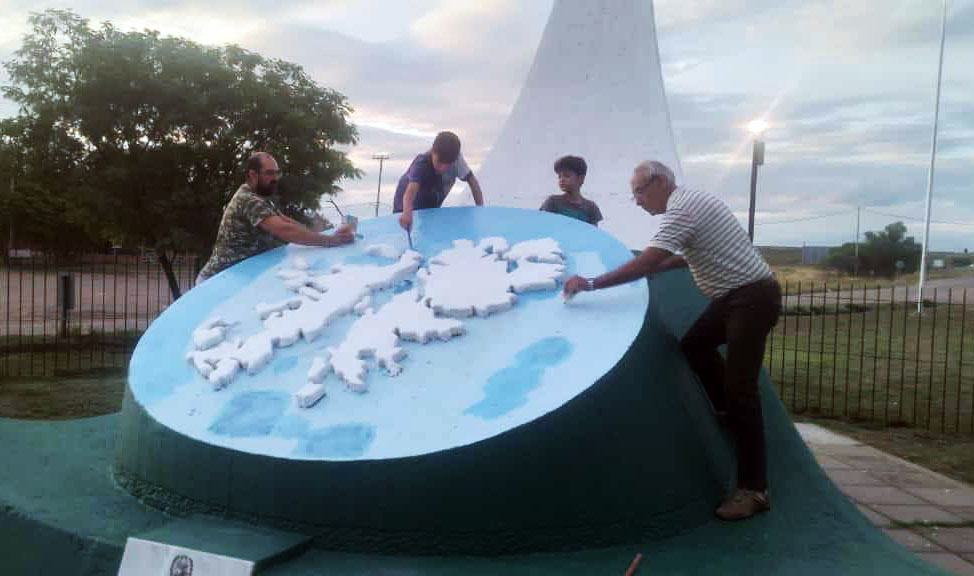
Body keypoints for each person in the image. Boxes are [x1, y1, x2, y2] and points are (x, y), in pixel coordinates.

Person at [563, 160, 781, 521]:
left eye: (639, 191)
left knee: (743, 390)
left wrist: (590, 283)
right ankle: (729, 411)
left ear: (661, 182)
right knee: (695, 346)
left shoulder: (681, 210)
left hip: (751, 298)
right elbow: (692, 252)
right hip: (737, 297)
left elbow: (646, 262)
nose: (637, 200)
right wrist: (661, 266)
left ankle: (754, 490)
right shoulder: (691, 201)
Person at [197, 152, 355, 282]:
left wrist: (323, 234)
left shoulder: (260, 198)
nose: (275, 178)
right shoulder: (248, 200)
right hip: (215, 282)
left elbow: (287, 222)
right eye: (269, 173)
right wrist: (329, 241)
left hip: (234, 278)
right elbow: (284, 229)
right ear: (253, 175)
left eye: (276, 173)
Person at [394, 131, 485, 231]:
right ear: (433, 151)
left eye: (449, 164)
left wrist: (480, 211)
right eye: (439, 162)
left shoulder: (456, 159)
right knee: (408, 227)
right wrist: (407, 212)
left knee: (428, 229)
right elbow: (410, 191)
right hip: (404, 203)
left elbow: (473, 182)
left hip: (431, 202)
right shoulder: (422, 162)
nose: (443, 168)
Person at [540, 155, 603, 226]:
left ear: (581, 179)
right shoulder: (553, 202)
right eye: (559, 176)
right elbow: (545, 226)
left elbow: (593, 231)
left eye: (567, 176)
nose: (562, 180)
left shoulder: (591, 208)